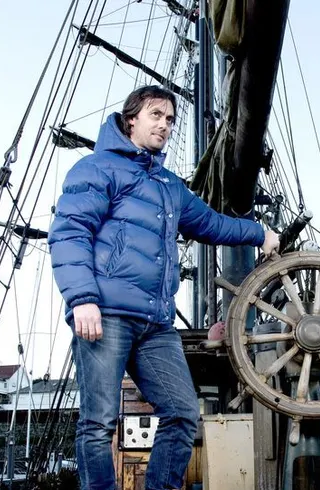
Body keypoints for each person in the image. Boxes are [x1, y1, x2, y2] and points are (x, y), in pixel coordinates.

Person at [49, 85, 279, 490]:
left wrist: (257, 232)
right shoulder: (96, 169)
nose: (165, 125)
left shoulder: (169, 186)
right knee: (99, 422)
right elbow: (69, 234)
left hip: (155, 323)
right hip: (106, 314)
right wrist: (81, 298)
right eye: (156, 115)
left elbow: (210, 223)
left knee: (182, 413)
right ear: (131, 119)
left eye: (171, 119)